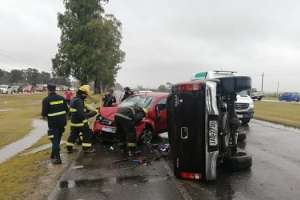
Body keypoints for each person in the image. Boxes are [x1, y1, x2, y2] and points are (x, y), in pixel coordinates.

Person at [42, 83, 68, 164]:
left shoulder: (46, 100)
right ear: (55, 89)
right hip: (62, 123)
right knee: (57, 139)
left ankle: (58, 159)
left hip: (53, 124)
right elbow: (67, 110)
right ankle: (53, 155)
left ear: (48, 89)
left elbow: (44, 114)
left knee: (54, 140)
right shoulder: (62, 98)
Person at [66, 85, 97, 153]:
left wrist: (86, 107)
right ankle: (86, 148)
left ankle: (69, 148)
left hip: (74, 122)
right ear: (83, 94)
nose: (86, 96)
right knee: (87, 134)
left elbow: (75, 110)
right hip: (81, 123)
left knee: (73, 135)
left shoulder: (74, 99)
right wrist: (93, 113)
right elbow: (82, 114)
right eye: (86, 95)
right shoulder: (79, 101)